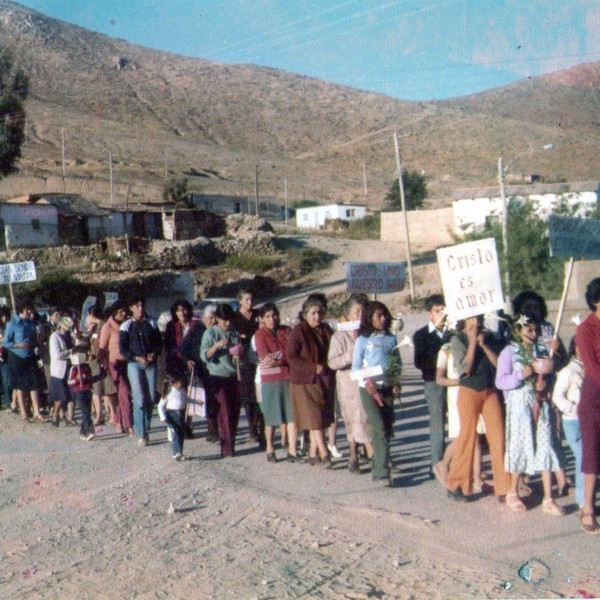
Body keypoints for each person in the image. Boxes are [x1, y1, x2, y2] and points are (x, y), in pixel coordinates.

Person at [495, 316, 565, 515]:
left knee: (545, 443)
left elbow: (551, 374)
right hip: (519, 404)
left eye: (536, 331)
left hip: (540, 401)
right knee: (520, 444)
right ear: (518, 331)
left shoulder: (542, 351)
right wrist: (521, 375)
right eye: (529, 330)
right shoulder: (509, 352)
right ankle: (512, 491)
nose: (533, 335)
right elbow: (500, 381)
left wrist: (545, 385)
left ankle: (548, 498)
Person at [445, 316, 511, 502]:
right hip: (469, 390)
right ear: (465, 319)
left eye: (479, 318)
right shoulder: (458, 339)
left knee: (498, 436)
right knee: (467, 436)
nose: (477, 322)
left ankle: (504, 487)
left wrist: (484, 345)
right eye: (473, 319)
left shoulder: (489, 337)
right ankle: (457, 484)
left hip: (489, 391)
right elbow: (465, 369)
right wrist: (473, 341)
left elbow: (499, 365)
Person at [352, 301, 401, 485]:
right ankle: (382, 472)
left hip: (387, 387)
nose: (383, 319)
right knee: (378, 426)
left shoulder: (391, 338)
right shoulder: (362, 340)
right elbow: (356, 367)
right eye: (378, 316)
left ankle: (379, 467)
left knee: (387, 428)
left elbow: (397, 362)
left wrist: (396, 381)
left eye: (385, 315)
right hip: (369, 389)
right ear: (369, 318)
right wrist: (367, 380)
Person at [287, 295, 335, 467]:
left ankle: (313, 453)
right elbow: (291, 358)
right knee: (314, 419)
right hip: (304, 382)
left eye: (320, 312)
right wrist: (312, 367)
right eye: (313, 313)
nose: (317, 316)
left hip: (323, 380)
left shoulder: (326, 329)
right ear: (305, 314)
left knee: (322, 418)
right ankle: (324, 454)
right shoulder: (298, 332)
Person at [328, 293, 373, 473]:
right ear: (348, 313)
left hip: (367, 381)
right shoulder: (340, 336)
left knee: (368, 417)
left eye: (364, 311)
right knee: (352, 419)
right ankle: (353, 456)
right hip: (348, 384)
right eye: (357, 311)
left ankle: (373, 453)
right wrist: (350, 355)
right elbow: (332, 362)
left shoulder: (368, 333)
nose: (360, 315)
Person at [435, 341, 485, 491]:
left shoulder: (474, 346)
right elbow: (439, 379)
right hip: (457, 394)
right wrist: (460, 381)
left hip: (474, 392)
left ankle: (477, 477)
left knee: (475, 435)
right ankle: (443, 464)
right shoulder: (446, 350)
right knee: (463, 435)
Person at [254, 303, 297, 463]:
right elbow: (267, 359)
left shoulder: (286, 331)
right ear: (262, 319)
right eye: (267, 316)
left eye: (274, 315)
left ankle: (292, 450)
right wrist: (285, 358)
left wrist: (282, 358)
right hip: (270, 379)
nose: (272, 319)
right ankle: (270, 447)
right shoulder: (260, 335)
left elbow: (293, 351)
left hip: (288, 377)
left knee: (291, 415)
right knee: (271, 416)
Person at [200, 303, 244, 458]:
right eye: (224, 320)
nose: (227, 323)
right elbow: (204, 356)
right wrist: (217, 345)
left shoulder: (234, 333)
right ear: (217, 318)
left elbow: (239, 354)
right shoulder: (210, 333)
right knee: (224, 411)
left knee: (235, 411)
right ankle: (227, 448)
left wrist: (239, 352)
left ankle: (231, 440)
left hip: (233, 376)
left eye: (229, 320)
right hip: (217, 376)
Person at [119, 295, 162, 447]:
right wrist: (137, 358)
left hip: (150, 363)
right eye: (137, 306)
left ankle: (146, 426)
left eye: (142, 305)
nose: (140, 308)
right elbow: (123, 349)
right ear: (131, 308)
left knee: (150, 397)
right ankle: (140, 433)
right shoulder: (126, 326)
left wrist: (153, 353)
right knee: (139, 398)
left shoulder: (152, 322)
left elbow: (159, 344)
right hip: (134, 364)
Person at [575, 277, 600, 534]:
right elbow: (592, 369)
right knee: (592, 453)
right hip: (594, 398)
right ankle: (587, 509)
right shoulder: (586, 329)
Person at [413, 294, 448, 479]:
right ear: (429, 314)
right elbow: (420, 361)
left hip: (453, 382)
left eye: (444, 310)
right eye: (437, 311)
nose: (442, 314)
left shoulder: (453, 332)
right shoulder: (422, 335)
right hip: (434, 382)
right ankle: (436, 462)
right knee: (437, 423)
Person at [164, 299, 204, 438]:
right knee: (179, 395)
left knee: (190, 394)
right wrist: (182, 357)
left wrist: (191, 359)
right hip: (177, 364)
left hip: (193, 363)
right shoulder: (171, 326)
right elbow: (169, 346)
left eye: (184, 309)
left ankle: (187, 424)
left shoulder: (196, 325)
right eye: (179, 310)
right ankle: (179, 424)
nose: (182, 313)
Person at [552, 337, 584, 510]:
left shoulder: (593, 368)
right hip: (573, 422)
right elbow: (558, 396)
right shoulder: (568, 371)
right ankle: (583, 502)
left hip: (590, 419)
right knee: (583, 457)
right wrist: (573, 408)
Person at [231, 288, 265, 447]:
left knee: (259, 393)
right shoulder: (235, 317)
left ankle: (259, 426)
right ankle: (252, 427)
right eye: (246, 300)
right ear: (240, 301)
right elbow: (235, 336)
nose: (250, 303)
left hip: (258, 357)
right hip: (243, 359)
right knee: (247, 395)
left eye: (251, 299)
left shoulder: (258, 314)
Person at [4, 300, 45, 422]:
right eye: (27, 310)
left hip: (30, 355)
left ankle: (36, 411)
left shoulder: (30, 323)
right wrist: (19, 345)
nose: (30, 312)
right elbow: (6, 342)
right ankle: (23, 412)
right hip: (17, 357)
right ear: (21, 310)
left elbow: (33, 338)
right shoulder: (13, 324)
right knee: (20, 386)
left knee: (34, 384)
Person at [98, 301, 133, 435]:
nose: (123, 313)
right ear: (114, 312)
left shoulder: (127, 325)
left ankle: (118, 420)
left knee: (123, 394)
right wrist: (104, 366)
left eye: (124, 311)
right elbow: (102, 348)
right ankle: (129, 424)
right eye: (120, 311)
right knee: (124, 392)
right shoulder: (108, 326)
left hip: (128, 363)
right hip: (114, 364)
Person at [85, 306, 117, 426]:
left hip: (103, 360)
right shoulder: (93, 329)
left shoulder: (103, 326)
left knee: (108, 390)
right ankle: (99, 415)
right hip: (93, 363)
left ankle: (113, 414)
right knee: (96, 390)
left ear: (92, 315)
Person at [67, 344, 102, 441]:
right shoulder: (74, 368)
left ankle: (82, 432)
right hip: (79, 392)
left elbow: (89, 379)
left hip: (87, 391)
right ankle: (89, 431)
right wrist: (77, 379)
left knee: (86, 412)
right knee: (85, 411)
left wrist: (97, 377)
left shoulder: (86, 367)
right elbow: (69, 381)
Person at [48, 316, 76, 427]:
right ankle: (55, 415)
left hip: (70, 368)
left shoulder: (69, 336)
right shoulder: (54, 337)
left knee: (72, 394)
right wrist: (71, 352)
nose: (68, 328)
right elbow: (57, 354)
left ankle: (71, 418)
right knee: (60, 397)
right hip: (59, 370)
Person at [199, 304, 219, 443]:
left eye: (215, 318)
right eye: (210, 318)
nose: (213, 321)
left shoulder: (219, 331)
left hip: (218, 370)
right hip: (203, 371)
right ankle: (212, 431)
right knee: (210, 401)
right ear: (203, 318)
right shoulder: (198, 331)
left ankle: (215, 431)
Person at [157, 373, 189, 461]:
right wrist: (162, 417)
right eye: (179, 382)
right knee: (175, 433)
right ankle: (177, 452)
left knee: (181, 434)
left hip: (181, 414)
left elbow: (187, 399)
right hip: (172, 415)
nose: (181, 384)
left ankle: (179, 452)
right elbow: (160, 406)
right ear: (173, 383)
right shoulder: (169, 393)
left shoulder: (182, 391)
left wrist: (197, 402)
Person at [0, 306, 13, 411]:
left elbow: (8, 339)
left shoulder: (7, 327)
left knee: (6, 380)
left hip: (5, 356)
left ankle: (9, 403)